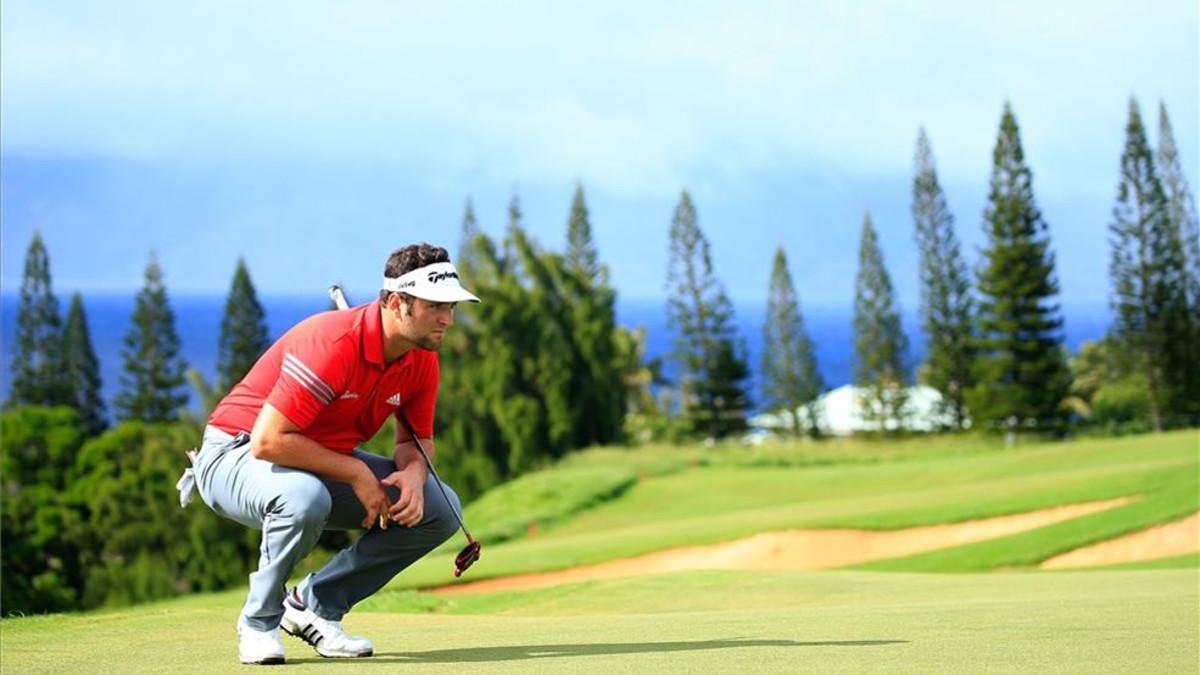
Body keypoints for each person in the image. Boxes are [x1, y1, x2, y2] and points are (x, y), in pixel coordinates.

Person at [184, 243, 479, 665]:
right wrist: (358, 474)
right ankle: (258, 623)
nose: (447, 320)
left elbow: (414, 441)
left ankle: (315, 606)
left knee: (440, 506)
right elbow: (269, 440)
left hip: (313, 459)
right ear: (398, 303)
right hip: (235, 453)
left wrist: (414, 475)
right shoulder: (333, 343)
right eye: (436, 307)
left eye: (450, 307)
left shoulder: (421, 357)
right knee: (304, 500)